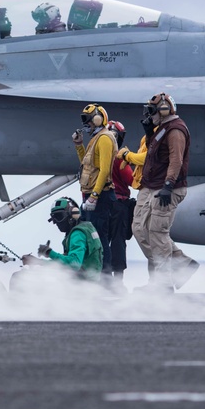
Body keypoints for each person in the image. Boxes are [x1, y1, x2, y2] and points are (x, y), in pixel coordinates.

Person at [117, 122, 199, 289]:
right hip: (147, 185)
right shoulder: (150, 135)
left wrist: (127, 156)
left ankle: (161, 281)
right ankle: (180, 263)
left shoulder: (168, 134)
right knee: (142, 230)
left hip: (160, 186)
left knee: (155, 234)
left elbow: (148, 158)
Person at [73, 104, 117, 285]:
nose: (87, 123)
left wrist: (95, 195)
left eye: (89, 119)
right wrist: (78, 145)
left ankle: (106, 281)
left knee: (100, 239)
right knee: (93, 237)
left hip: (100, 196)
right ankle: (97, 279)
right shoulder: (96, 138)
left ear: (98, 118)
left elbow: (105, 170)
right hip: (92, 195)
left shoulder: (105, 138)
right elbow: (87, 165)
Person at [23, 197, 102, 282]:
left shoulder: (78, 234)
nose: (56, 222)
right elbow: (65, 263)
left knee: (21, 277)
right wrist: (38, 262)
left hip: (82, 285)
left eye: (59, 216)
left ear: (73, 214)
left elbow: (73, 265)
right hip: (87, 282)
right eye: (54, 218)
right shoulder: (85, 228)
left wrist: (49, 253)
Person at [106, 120, 134, 292]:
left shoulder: (97, 155)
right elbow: (131, 180)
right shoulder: (119, 157)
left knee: (102, 241)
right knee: (118, 242)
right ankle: (117, 283)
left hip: (102, 205)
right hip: (119, 204)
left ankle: (103, 280)